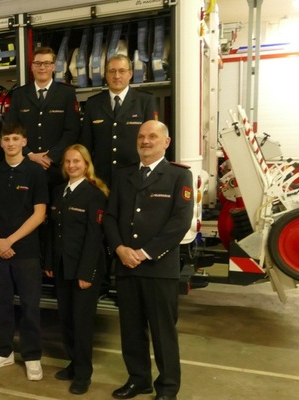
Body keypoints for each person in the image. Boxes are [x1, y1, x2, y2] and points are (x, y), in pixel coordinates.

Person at [104, 120, 193, 400]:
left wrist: (143, 253)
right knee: (131, 329)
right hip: (126, 265)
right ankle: (138, 379)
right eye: (141, 136)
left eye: (152, 136)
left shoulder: (178, 176)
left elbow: (180, 222)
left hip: (158, 267)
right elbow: (110, 216)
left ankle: (167, 388)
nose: (145, 141)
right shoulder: (124, 175)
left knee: (163, 332)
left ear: (166, 142)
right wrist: (120, 248)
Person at [0, 122, 48, 381]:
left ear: (24, 142)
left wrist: (10, 241)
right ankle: (3, 351)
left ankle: (32, 356)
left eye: (15, 138)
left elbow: (39, 214)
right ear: (1, 142)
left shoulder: (35, 172)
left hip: (26, 251)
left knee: (30, 305)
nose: (10, 143)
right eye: (6, 139)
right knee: (0, 303)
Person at [49, 144, 109, 395]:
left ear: (86, 164)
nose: (71, 165)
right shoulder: (59, 191)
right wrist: (49, 263)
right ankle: (73, 363)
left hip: (84, 269)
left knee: (82, 323)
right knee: (66, 319)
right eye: (67, 162)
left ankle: (84, 374)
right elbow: (52, 231)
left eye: (76, 161)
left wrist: (87, 273)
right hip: (63, 266)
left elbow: (95, 238)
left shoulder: (94, 194)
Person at [3, 46, 80, 190]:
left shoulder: (66, 93)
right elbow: (11, 129)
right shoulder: (19, 95)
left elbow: (72, 131)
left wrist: (51, 157)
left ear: (53, 67)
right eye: (38, 63)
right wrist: (30, 154)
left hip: (56, 168)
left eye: (47, 63)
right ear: (32, 66)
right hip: (26, 166)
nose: (42, 67)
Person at [80, 54, 159, 186]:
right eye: (112, 71)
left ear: (130, 74)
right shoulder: (93, 103)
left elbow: (154, 142)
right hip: (101, 178)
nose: (116, 76)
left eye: (122, 71)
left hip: (135, 177)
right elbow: (86, 143)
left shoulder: (145, 101)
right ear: (106, 74)